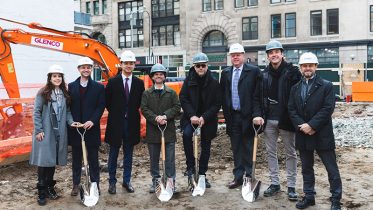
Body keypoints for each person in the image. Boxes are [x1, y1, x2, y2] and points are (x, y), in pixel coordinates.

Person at [288, 52, 342, 210]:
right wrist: (302, 125)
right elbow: (291, 109)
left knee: (331, 168)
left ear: (316, 67)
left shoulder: (326, 86)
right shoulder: (295, 88)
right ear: (300, 68)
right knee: (306, 168)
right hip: (303, 134)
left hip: (322, 134)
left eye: (310, 65)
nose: (307, 68)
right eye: (304, 66)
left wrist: (312, 125)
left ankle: (336, 199)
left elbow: (327, 108)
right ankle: (309, 196)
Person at [252, 40, 301, 200]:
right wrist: (258, 115)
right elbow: (257, 98)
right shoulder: (263, 74)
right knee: (270, 153)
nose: (274, 55)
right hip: (268, 120)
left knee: (290, 153)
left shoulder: (293, 72)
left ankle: (292, 186)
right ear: (267, 56)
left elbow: (298, 97)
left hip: (286, 120)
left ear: (282, 54)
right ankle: (275, 183)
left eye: (276, 52)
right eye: (270, 52)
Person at [30, 64, 78, 205]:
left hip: (59, 133)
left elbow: (67, 112)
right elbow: (37, 112)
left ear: (62, 78)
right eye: (54, 76)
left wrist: (71, 123)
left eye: (59, 76)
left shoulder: (64, 94)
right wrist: (39, 130)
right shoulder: (43, 93)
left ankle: (50, 188)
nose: (57, 78)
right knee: (44, 162)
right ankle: (41, 191)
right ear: (50, 78)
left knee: (52, 161)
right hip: (46, 132)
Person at [220, 43, 261, 189]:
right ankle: (238, 177)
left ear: (243, 55)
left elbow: (258, 96)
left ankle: (249, 177)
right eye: (233, 55)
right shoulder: (225, 73)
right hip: (233, 117)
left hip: (248, 117)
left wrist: (257, 114)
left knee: (248, 147)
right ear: (230, 57)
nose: (235, 57)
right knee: (236, 148)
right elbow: (224, 95)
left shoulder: (254, 71)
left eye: (238, 54)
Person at [105, 50, 145, 194]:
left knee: (129, 154)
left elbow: (140, 103)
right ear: (121, 64)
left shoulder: (139, 84)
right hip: (116, 124)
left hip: (132, 124)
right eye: (126, 63)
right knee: (113, 154)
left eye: (131, 63)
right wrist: (119, 114)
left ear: (134, 65)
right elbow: (108, 103)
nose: (128, 66)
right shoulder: (112, 82)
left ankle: (126, 181)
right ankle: (112, 182)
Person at [179, 53, 221, 189]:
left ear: (207, 66)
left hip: (207, 119)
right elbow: (183, 98)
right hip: (191, 117)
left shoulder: (214, 81)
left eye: (203, 65)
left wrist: (204, 117)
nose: (201, 68)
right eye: (198, 66)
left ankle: (202, 173)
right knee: (186, 135)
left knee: (206, 145)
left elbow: (216, 103)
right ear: (194, 67)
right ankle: (190, 167)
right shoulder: (189, 80)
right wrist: (192, 116)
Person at [68, 57, 105, 196]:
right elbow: (68, 107)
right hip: (76, 129)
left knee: (94, 159)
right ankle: (76, 184)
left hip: (91, 129)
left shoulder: (99, 87)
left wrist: (93, 121)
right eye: (83, 67)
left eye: (88, 67)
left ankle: (95, 184)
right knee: (76, 159)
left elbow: (100, 106)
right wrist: (72, 122)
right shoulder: (71, 86)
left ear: (92, 69)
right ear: (78, 69)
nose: (86, 69)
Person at [141, 63, 181, 193]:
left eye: (161, 74)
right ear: (152, 77)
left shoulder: (171, 93)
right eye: (156, 74)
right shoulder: (147, 93)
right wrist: (155, 118)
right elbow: (144, 109)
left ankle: (170, 182)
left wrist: (165, 116)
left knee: (169, 159)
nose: (158, 76)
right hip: (153, 132)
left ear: (164, 77)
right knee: (154, 159)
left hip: (168, 131)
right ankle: (155, 181)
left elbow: (176, 107)